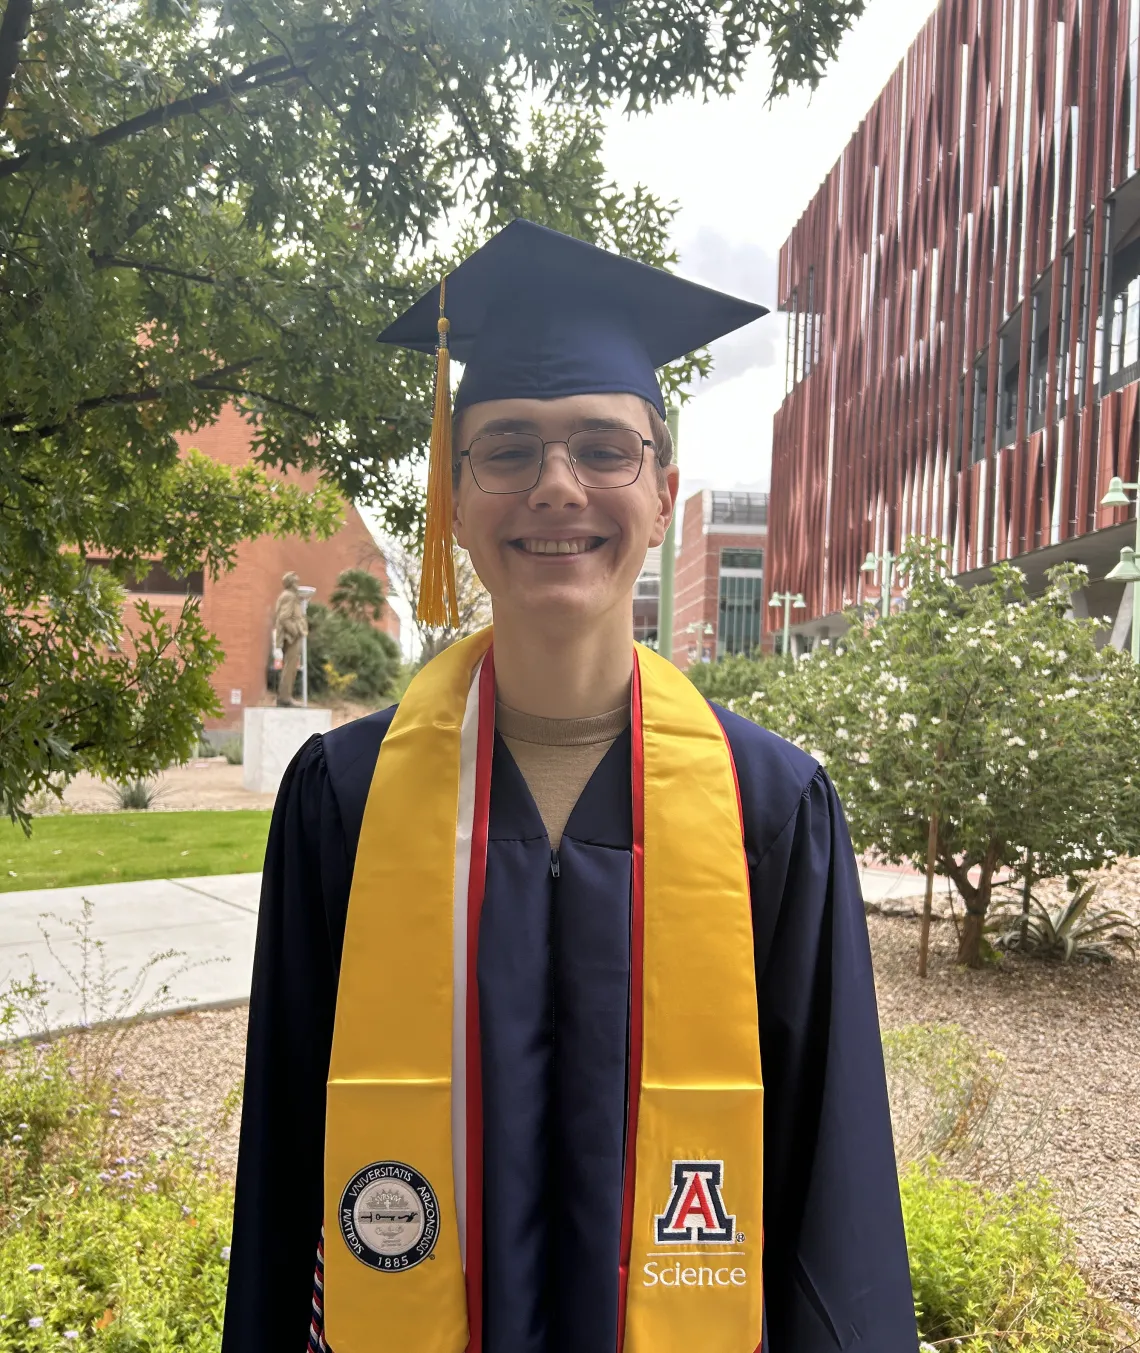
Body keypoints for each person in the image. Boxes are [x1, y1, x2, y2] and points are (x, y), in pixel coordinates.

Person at [222, 220, 917, 1353]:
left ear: (661, 488)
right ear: (453, 495)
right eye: (507, 449)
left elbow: (827, 1195)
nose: (557, 485)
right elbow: (291, 1165)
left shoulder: (770, 808)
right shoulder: (342, 801)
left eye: (604, 446)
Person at [273, 571, 307, 707]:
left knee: (291, 667)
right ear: (291, 583)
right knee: (290, 667)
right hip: (291, 637)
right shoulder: (289, 596)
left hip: (291, 637)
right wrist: (296, 631)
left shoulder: (291, 596)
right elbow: (284, 617)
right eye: (296, 582)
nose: (298, 585)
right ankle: (285, 698)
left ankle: (286, 696)